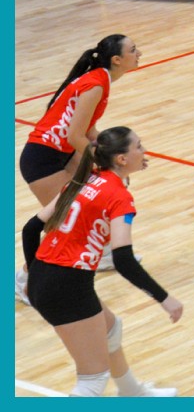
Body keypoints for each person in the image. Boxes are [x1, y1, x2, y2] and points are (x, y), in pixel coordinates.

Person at [22, 126, 182, 397]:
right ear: (121, 158)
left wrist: (32, 277)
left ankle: (132, 393)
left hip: (44, 277)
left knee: (111, 328)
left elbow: (30, 229)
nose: (144, 151)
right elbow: (123, 260)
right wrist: (165, 299)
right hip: (66, 285)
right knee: (92, 380)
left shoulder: (83, 181)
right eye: (139, 146)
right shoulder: (119, 198)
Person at [16, 35, 143, 303]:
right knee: (65, 224)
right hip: (44, 160)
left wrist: (109, 159)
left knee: (98, 199)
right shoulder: (95, 85)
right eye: (133, 50)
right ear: (116, 60)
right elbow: (75, 136)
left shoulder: (100, 80)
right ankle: (24, 279)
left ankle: (103, 253)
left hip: (64, 154)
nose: (139, 53)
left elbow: (89, 131)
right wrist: (106, 163)